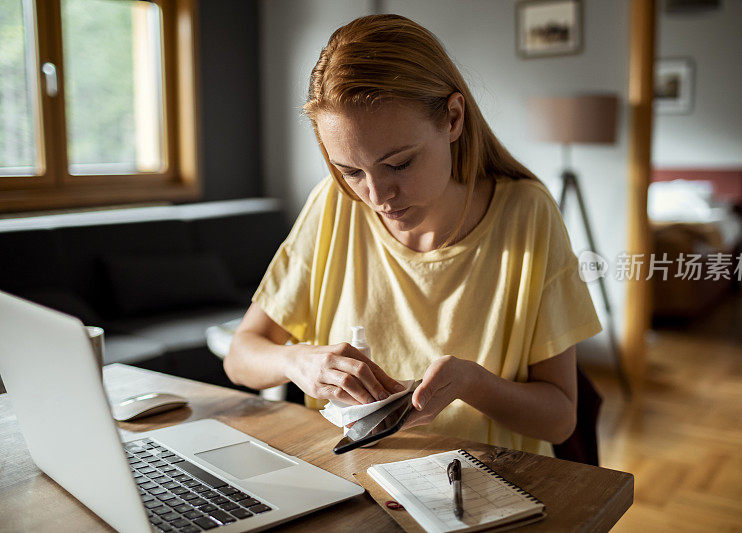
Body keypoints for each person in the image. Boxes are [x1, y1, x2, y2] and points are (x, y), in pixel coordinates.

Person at [223, 14, 602, 456]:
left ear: (453, 118)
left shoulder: (528, 214)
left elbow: (559, 421)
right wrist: (296, 361)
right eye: (350, 171)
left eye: (399, 164)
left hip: (484, 492)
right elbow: (240, 357)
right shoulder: (334, 203)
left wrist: (472, 384)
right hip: (349, 481)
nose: (378, 196)